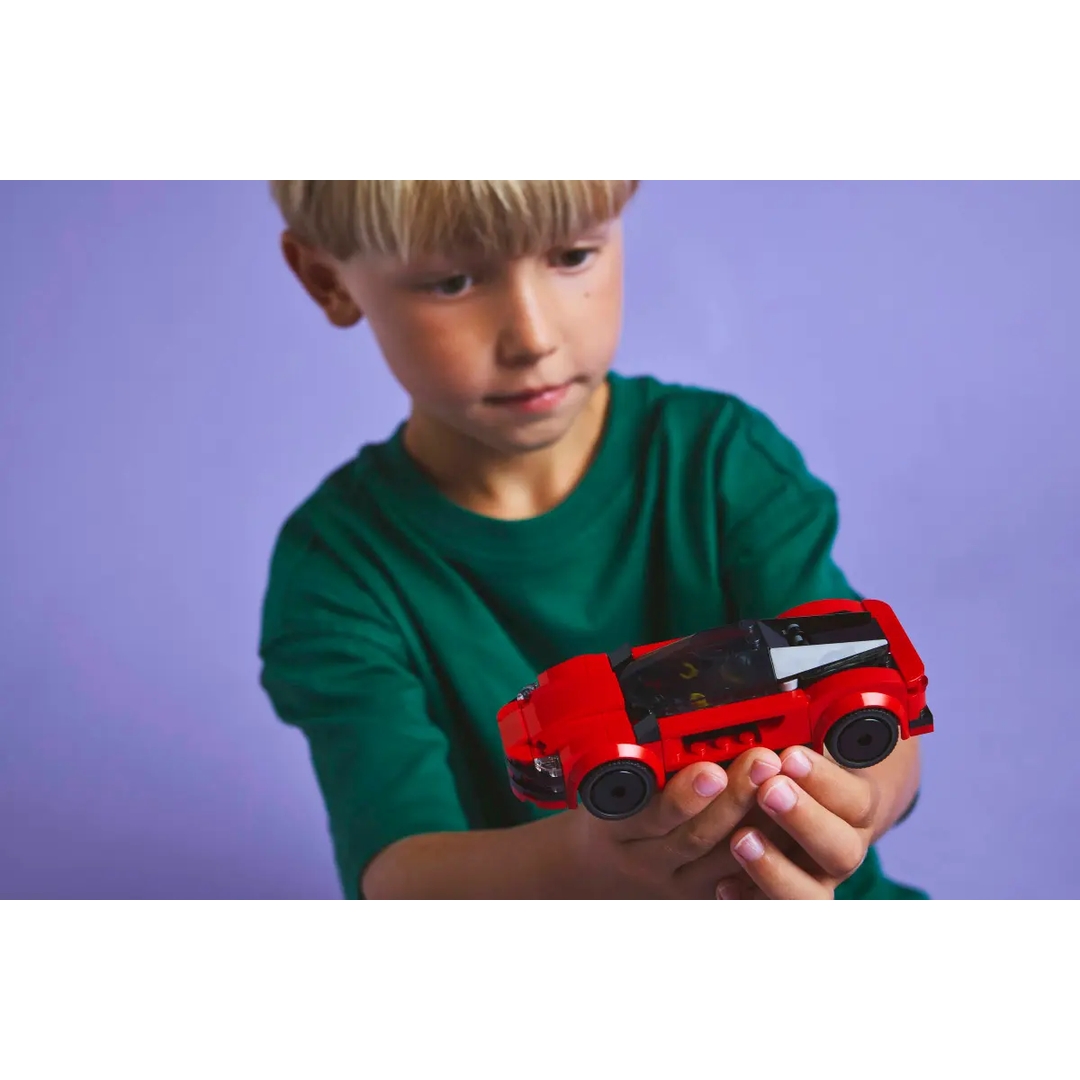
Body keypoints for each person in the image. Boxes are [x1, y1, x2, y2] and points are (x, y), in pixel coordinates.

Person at [258, 180, 927, 900]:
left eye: (572, 255)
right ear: (327, 280)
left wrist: (859, 805)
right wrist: (593, 861)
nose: (533, 337)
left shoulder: (721, 459)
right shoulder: (338, 569)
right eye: (452, 282)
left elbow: (864, 687)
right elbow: (396, 875)